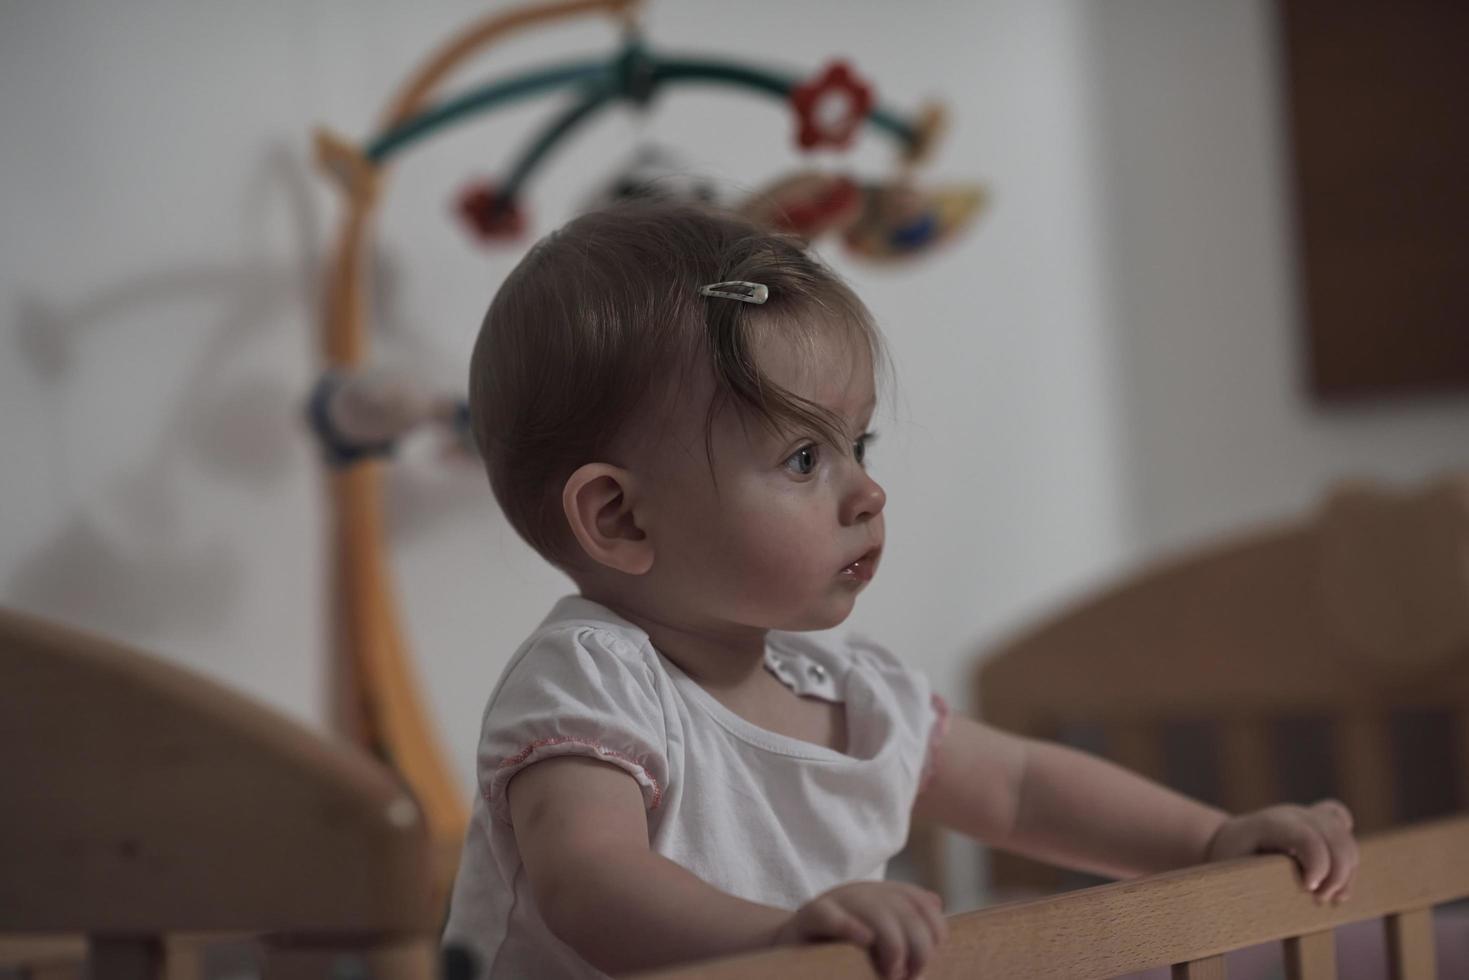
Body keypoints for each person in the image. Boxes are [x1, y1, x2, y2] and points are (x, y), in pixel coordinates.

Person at [441, 200, 1358, 980]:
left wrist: (1208, 842)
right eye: (803, 458)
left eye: (858, 446)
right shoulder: (591, 681)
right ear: (621, 520)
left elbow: (1023, 787)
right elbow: (589, 882)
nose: (865, 492)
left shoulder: (852, 693)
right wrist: (774, 941)